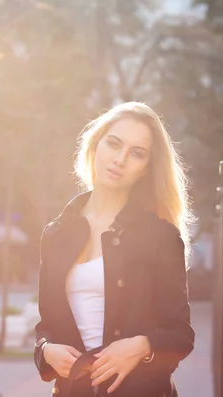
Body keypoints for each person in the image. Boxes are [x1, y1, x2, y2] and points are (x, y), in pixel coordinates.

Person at [33, 102, 195, 397]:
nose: (120, 159)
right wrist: (46, 351)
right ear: (96, 146)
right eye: (114, 143)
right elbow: (46, 326)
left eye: (137, 153)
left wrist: (141, 347)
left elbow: (180, 335)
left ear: (146, 169)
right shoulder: (55, 234)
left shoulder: (161, 236)